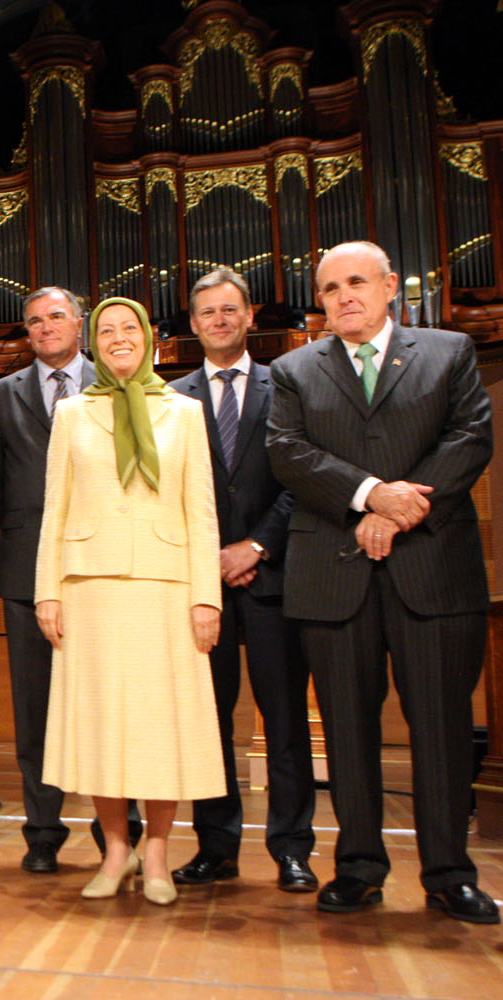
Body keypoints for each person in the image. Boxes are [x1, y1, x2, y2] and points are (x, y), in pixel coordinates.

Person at [267, 240, 498, 924]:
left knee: (440, 729)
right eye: (331, 288)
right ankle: (360, 868)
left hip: (431, 569)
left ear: (391, 285)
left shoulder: (449, 352)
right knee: (346, 731)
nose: (344, 297)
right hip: (334, 575)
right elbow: (288, 453)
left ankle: (450, 874)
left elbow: (470, 439)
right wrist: (370, 496)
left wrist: (398, 514)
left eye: (358, 282)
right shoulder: (293, 370)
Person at [35, 296, 224, 905]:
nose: (119, 338)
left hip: (166, 589)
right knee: (102, 727)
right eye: (107, 330)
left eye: (129, 328)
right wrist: (47, 592)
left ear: (149, 338)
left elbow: (202, 511)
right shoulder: (70, 414)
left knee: (158, 728)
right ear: (94, 342)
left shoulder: (186, 412)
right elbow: (53, 510)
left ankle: (160, 854)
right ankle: (116, 850)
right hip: (88, 587)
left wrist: (206, 597)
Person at [167, 269, 317, 893]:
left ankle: (291, 848)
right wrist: (209, 557)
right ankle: (216, 846)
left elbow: (301, 475)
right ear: (194, 323)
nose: (220, 321)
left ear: (250, 316)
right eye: (208, 312)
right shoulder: (170, 400)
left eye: (230, 310)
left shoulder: (288, 384)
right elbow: (168, 493)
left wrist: (255, 545)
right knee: (210, 721)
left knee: (283, 721)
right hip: (201, 585)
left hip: (274, 574)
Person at [0, 286, 94, 873]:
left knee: (106, 704)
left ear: (80, 322)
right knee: (35, 710)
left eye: (56, 316)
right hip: (26, 569)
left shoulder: (114, 382)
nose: (45, 327)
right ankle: (43, 831)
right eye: (34, 322)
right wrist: (34, 533)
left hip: (104, 570)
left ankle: (112, 827)